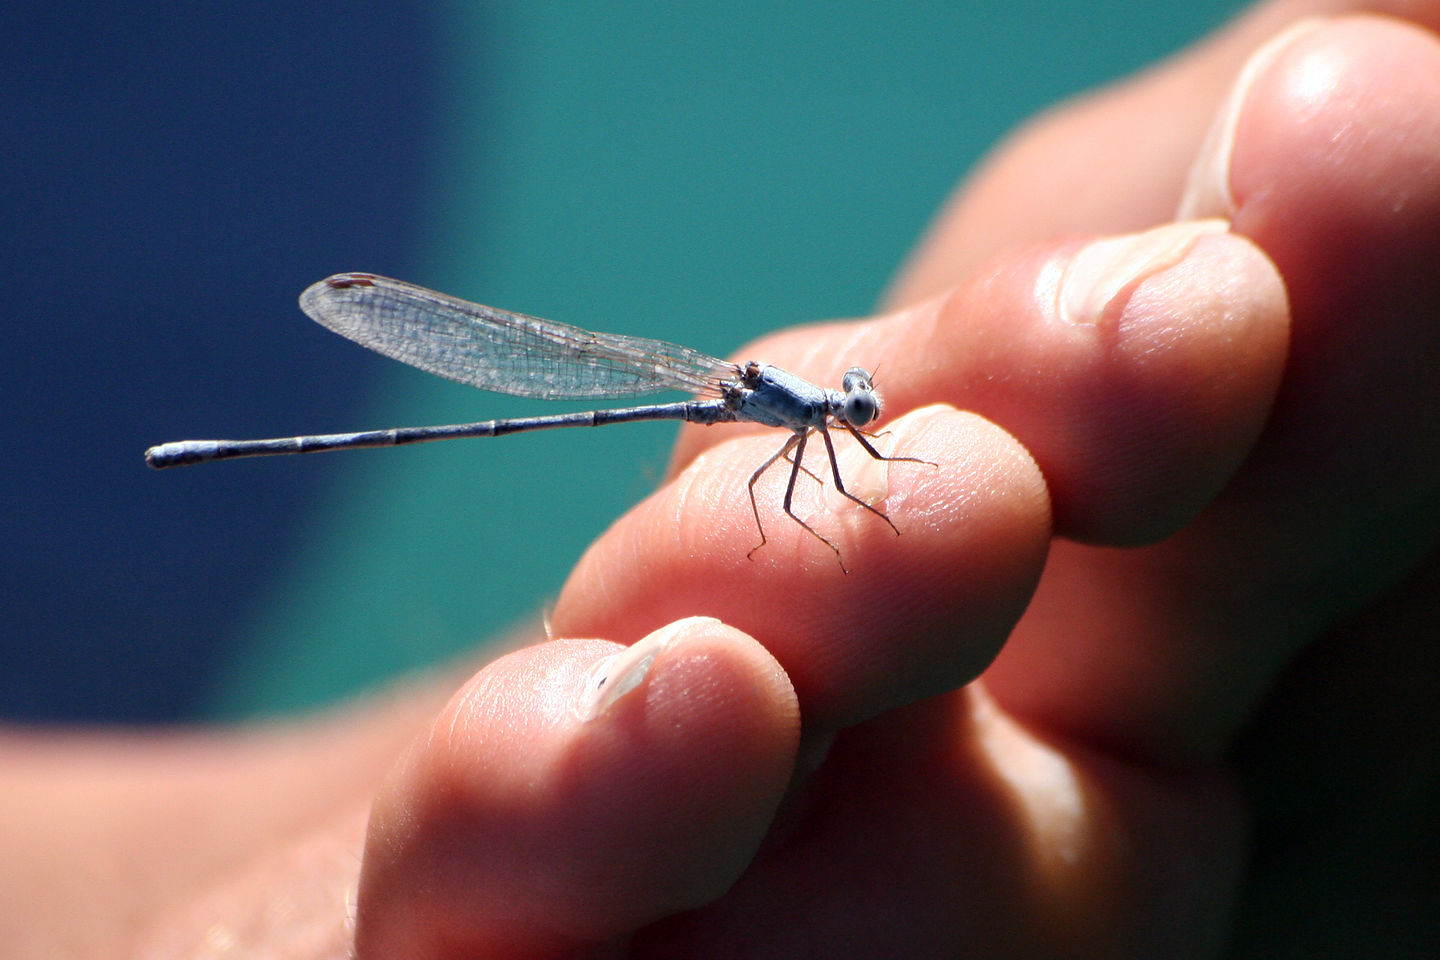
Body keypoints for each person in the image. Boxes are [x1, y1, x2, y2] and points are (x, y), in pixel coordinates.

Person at [6, 3, 1439, 956]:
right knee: (749, 595)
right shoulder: (808, 432)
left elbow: (808, 476)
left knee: (714, 642)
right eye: (855, 411)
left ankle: (343, 807)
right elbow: (800, 490)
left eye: (859, 412)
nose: (861, 415)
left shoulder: (822, 424)